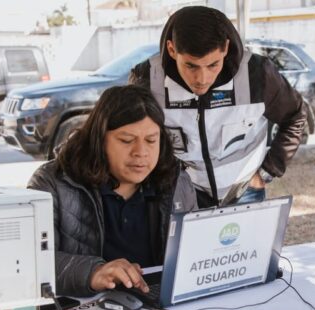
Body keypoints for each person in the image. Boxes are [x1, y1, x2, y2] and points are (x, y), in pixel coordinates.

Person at [129, 5, 306, 208]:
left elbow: (296, 116)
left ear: (226, 48)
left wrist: (267, 171)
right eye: (191, 66)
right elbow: (131, 138)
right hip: (181, 193)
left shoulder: (257, 74)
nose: (202, 79)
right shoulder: (147, 79)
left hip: (245, 190)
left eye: (213, 65)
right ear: (172, 50)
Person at [28, 85, 196, 298]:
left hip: (160, 308)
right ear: (99, 139)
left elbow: (194, 254)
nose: (141, 152)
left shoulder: (176, 181)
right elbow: (29, 260)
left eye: (151, 140)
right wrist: (93, 272)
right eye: (126, 141)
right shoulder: (53, 182)